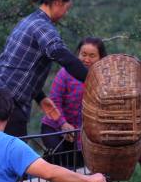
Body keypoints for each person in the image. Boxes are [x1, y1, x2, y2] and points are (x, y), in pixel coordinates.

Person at [0, 0, 90, 137]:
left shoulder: (27, 21)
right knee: (14, 157)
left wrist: (40, 97)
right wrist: (93, 79)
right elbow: (61, 54)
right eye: (66, 9)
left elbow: (23, 69)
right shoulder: (42, 26)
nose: (66, 14)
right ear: (58, 2)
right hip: (7, 104)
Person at [40, 37, 107, 166]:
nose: (86, 59)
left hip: (80, 136)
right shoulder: (65, 73)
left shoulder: (103, 80)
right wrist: (63, 124)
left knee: (78, 167)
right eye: (83, 54)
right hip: (55, 126)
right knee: (57, 157)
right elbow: (54, 100)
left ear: (100, 58)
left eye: (92, 56)